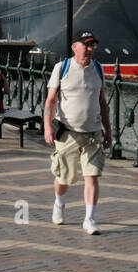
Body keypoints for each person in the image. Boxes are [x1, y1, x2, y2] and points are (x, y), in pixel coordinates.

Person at [43, 30, 112, 235]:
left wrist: (108, 132)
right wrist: (47, 126)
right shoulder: (62, 68)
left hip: (93, 133)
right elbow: (51, 100)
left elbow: (103, 103)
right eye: (86, 45)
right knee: (64, 178)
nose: (90, 49)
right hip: (68, 133)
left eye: (93, 46)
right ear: (75, 46)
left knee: (92, 176)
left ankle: (89, 219)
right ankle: (59, 203)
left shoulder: (98, 69)